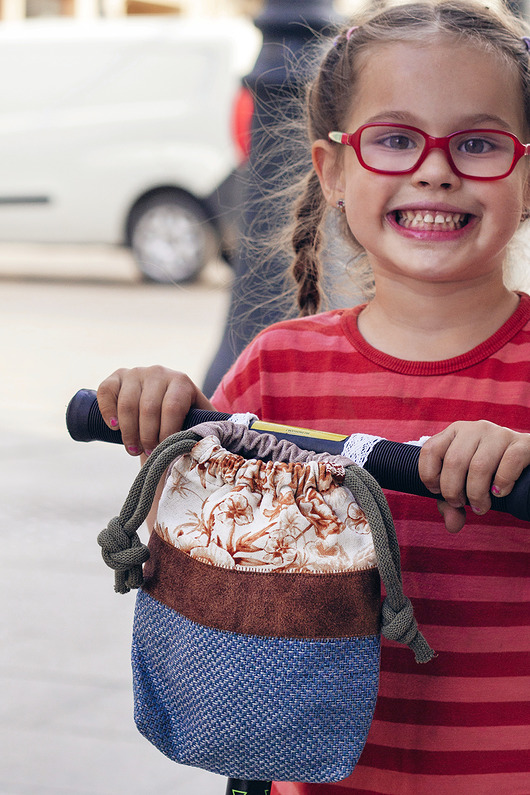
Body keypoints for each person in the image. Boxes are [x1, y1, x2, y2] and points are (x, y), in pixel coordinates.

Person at [97, 1, 530, 791]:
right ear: (333, 170)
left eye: (478, 143)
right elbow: (208, 539)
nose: (436, 168)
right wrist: (166, 410)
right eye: (395, 139)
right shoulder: (278, 369)